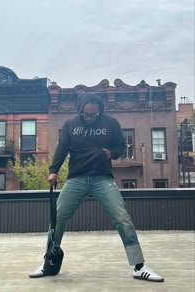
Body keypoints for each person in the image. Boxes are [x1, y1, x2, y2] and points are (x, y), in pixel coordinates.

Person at [29, 93, 164, 282]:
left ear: (99, 111)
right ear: (80, 110)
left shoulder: (111, 123)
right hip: (76, 178)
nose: (89, 118)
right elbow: (62, 149)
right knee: (57, 218)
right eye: (86, 114)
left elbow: (120, 147)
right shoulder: (71, 125)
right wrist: (53, 171)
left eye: (93, 115)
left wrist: (111, 153)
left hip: (102, 178)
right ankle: (48, 263)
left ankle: (139, 266)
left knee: (122, 218)